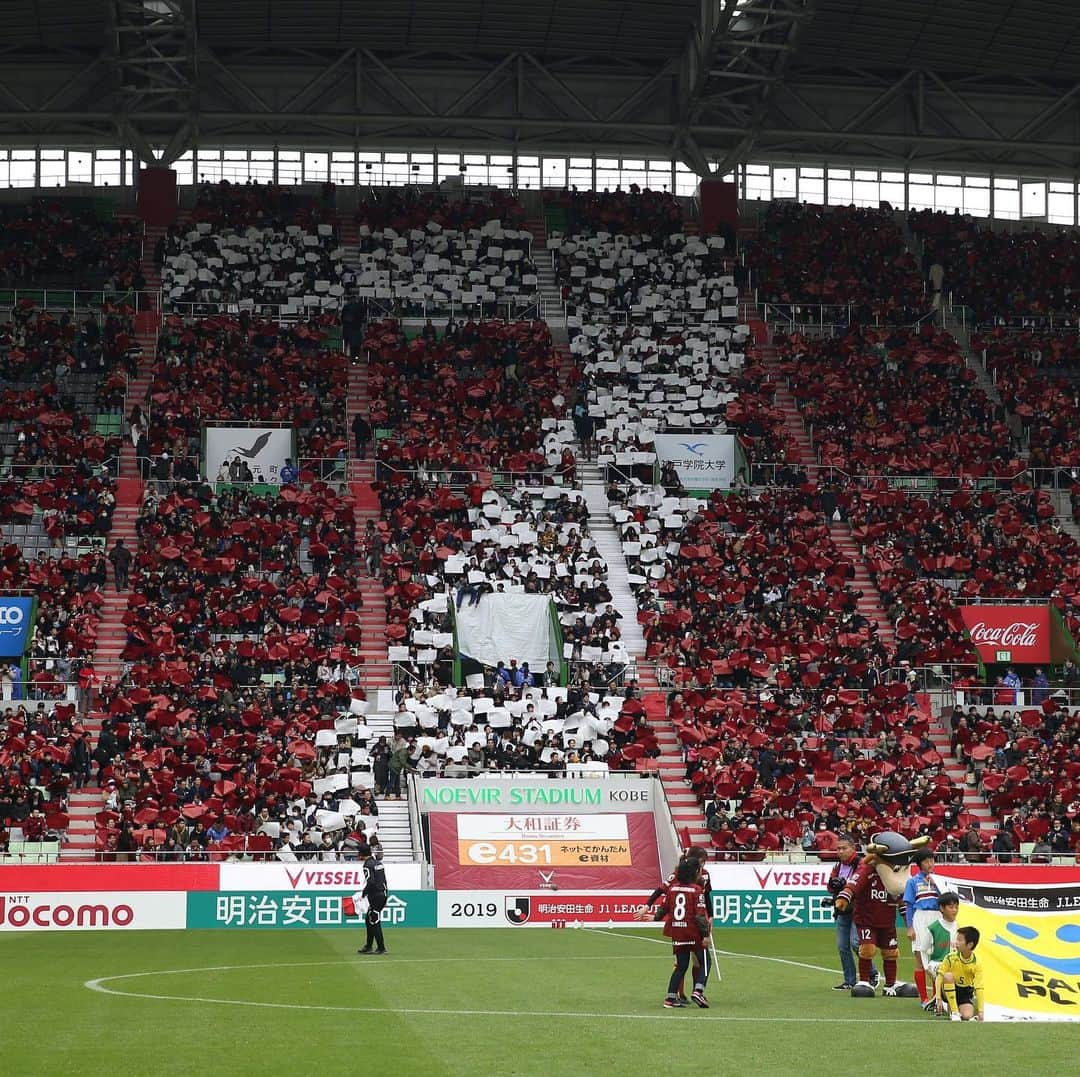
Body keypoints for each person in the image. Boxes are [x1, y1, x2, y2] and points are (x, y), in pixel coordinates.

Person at [636, 857, 711, 1008]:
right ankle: (698, 990)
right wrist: (705, 935)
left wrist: (656, 918)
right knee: (705, 961)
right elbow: (700, 916)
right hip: (692, 932)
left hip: (677, 931)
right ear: (695, 873)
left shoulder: (672, 889)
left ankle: (670, 998)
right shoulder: (696, 891)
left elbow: (664, 907)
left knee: (681, 965)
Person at [828, 835, 879, 990]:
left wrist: (846, 885)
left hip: (859, 908)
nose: (841, 851)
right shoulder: (837, 866)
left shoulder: (862, 864)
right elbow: (830, 886)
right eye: (838, 848)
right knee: (842, 946)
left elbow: (863, 884)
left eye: (844, 848)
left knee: (856, 942)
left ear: (853, 848)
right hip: (843, 909)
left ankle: (872, 973)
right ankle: (849, 980)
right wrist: (835, 888)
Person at [903, 847, 941, 1009]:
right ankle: (924, 999)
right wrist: (910, 927)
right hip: (921, 917)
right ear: (919, 864)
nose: (930, 864)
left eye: (932, 860)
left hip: (937, 918)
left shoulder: (939, 880)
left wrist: (936, 884)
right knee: (920, 959)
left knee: (937, 959)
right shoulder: (912, 882)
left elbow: (947, 898)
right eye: (926, 861)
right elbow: (909, 905)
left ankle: (936, 997)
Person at [920, 891, 960, 1013]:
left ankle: (942, 1000)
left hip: (954, 964)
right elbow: (923, 950)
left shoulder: (959, 926)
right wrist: (926, 968)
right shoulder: (933, 928)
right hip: (937, 963)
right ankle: (941, 1001)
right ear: (942, 908)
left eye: (956, 907)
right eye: (951, 907)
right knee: (946, 972)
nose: (954, 910)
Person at [935, 925, 984, 1021]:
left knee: (967, 1016)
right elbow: (940, 977)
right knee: (948, 976)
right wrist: (938, 998)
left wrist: (981, 1012)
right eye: (956, 939)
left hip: (965, 992)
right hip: (948, 987)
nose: (956, 943)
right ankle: (954, 1011)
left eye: (960, 940)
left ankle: (953, 1007)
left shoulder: (977, 963)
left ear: (970, 945)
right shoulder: (950, 957)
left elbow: (979, 987)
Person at [356, 844, 388, 955]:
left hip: (376, 895)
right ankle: (369, 946)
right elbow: (384, 880)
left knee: (374, 920)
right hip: (382, 893)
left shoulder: (367, 865)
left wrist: (363, 893)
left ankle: (381, 947)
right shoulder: (378, 863)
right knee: (369, 920)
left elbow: (371, 882)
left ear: (361, 854)